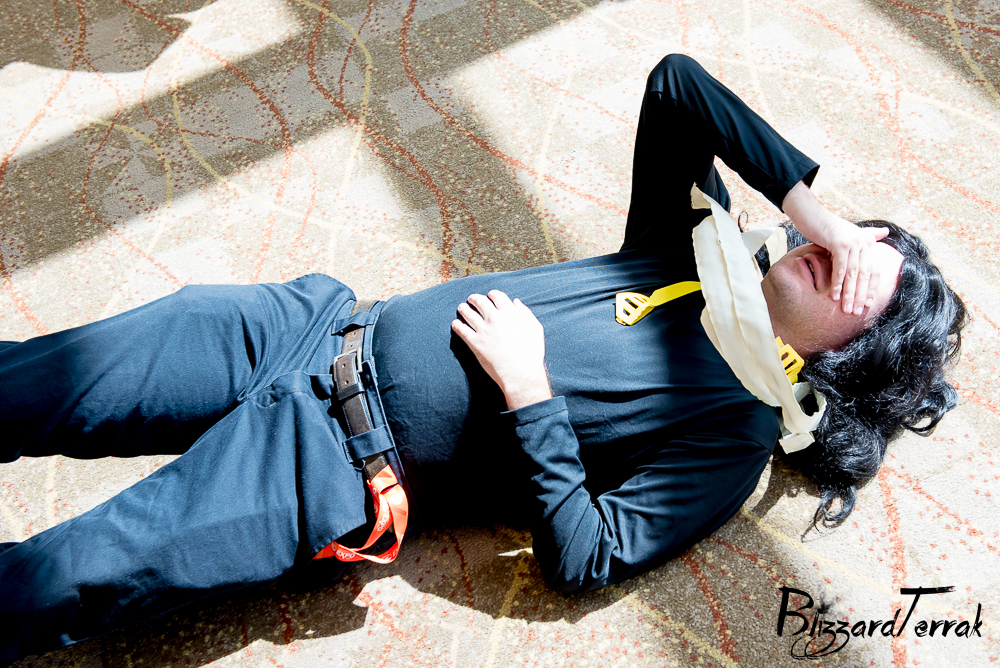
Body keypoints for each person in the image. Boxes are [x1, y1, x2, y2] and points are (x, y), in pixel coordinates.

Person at [0, 54, 965, 661]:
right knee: (24, 383)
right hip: (307, 326)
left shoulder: (734, 434)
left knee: (53, 579)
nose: (834, 254)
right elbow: (677, 85)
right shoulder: (697, 251)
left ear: (852, 357)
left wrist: (531, 391)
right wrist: (816, 209)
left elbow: (586, 557)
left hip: (332, 467)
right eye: (852, 242)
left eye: (855, 278)